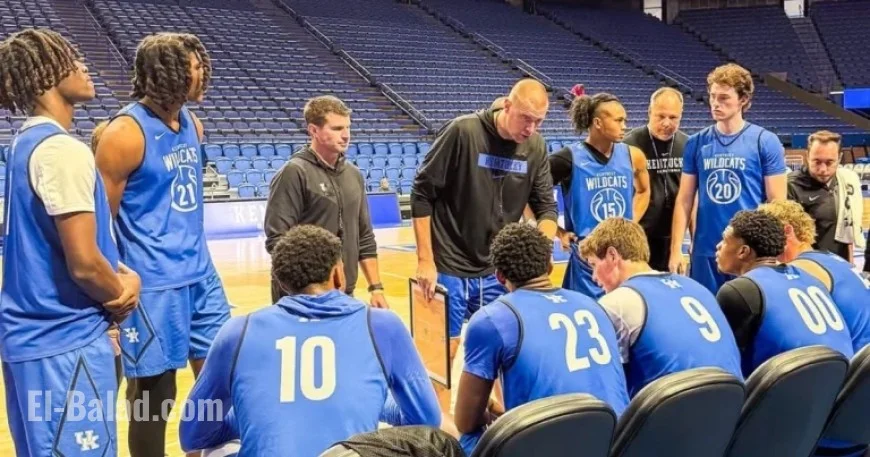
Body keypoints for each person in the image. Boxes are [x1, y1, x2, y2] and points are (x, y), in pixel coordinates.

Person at [178, 225, 442, 457]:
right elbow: (427, 422)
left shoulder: (237, 331)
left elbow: (192, 435)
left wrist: (252, 414)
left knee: (216, 450)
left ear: (281, 283)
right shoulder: (383, 325)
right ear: (339, 275)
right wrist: (375, 405)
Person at [0, 29, 140, 457]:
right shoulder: (63, 151)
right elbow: (82, 263)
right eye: (70, 59)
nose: (83, 66)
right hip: (63, 343)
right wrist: (124, 291)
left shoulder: (25, 144)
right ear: (44, 76)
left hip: (32, 342)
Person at [94, 32, 232, 457]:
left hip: (201, 274)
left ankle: (206, 450)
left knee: (217, 380)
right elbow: (102, 224)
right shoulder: (124, 133)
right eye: (194, 67)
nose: (202, 73)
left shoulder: (193, 123)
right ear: (168, 73)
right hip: (154, 284)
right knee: (155, 396)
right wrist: (111, 293)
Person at [412, 79, 558, 363]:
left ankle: (498, 408)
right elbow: (421, 194)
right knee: (441, 356)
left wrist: (542, 249)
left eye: (538, 122)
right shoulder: (463, 132)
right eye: (526, 119)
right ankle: (436, 409)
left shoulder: (536, 147)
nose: (530, 129)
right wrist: (425, 259)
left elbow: (546, 208)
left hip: (497, 271)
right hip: (448, 265)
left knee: (502, 350)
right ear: (507, 105)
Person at [454, 223, 629, 455]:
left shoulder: (492, 318)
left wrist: (491, 415)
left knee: (469, 439)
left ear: (499, 276)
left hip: (553, 444)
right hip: (617, 441)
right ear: (548, 265)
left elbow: (466, 421)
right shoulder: (593, 305)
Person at [579, 218, 742, 397]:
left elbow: (604, 386)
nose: (594, 277)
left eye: (594, 265)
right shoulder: (696, 287)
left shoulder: (616, 303)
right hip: (732, 405)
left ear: (612, 255)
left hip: (673, 413)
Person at [669, 63, 788, 294]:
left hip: (749, 251)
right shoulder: (696, 143)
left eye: (724, 98)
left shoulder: (765, 141)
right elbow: (684, 200)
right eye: (713, 96)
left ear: (743, 99)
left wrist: (775, 252)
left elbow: (778, 205)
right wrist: (676, 250)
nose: (715, 103)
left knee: (750, 319)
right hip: (706, 249)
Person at [264, 95, 388, 307]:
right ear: (313, 130)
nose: (346, 135)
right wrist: (310, 286)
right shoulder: (294, 172)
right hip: (301, 297)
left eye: (348, 127)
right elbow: (278, 241)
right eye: (337, 128)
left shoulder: (354, 175)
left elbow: (364, 237)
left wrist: (375, 288)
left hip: (343, 293)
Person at [714, 210, 853, 377]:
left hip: (792, 392)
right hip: (843, 387)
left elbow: (725, 363)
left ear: (743, 251)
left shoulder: (741, 290)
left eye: (725, 240)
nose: (719, 246)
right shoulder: (811, 279)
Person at [549, 93, 650, 298]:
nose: (624, 126)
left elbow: (644, 191)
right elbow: (531, 195)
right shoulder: (567, 158)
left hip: (625, 254)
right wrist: (558, 232)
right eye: (619, 120)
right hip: (588, 257)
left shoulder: (634, 155)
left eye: (625, 120)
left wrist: (629, 224)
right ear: (598, 123)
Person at [758, 200, 870, 352]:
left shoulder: (801, 270)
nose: (761, 242)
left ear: (787, 231)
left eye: (765, 235)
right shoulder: (830, 258)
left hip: (857, 359)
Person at [623, 87, 689, 271]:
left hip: (673, 236)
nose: (667, 123)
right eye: (661, 116)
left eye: (673, 117)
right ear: (650, 112)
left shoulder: (688, 145)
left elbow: (691, 196)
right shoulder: (628, 145)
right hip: (638, 235)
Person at [788, 130, 864, 263]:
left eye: (829, 162)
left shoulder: (847, 181)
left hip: (840, 266)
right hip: (807, 268)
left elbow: (847, 228)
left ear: (839, 158)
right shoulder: (791, 186)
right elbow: (789, 238)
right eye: (817, 162)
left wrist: (850, 265)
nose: (823, 169)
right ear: (807, 156)